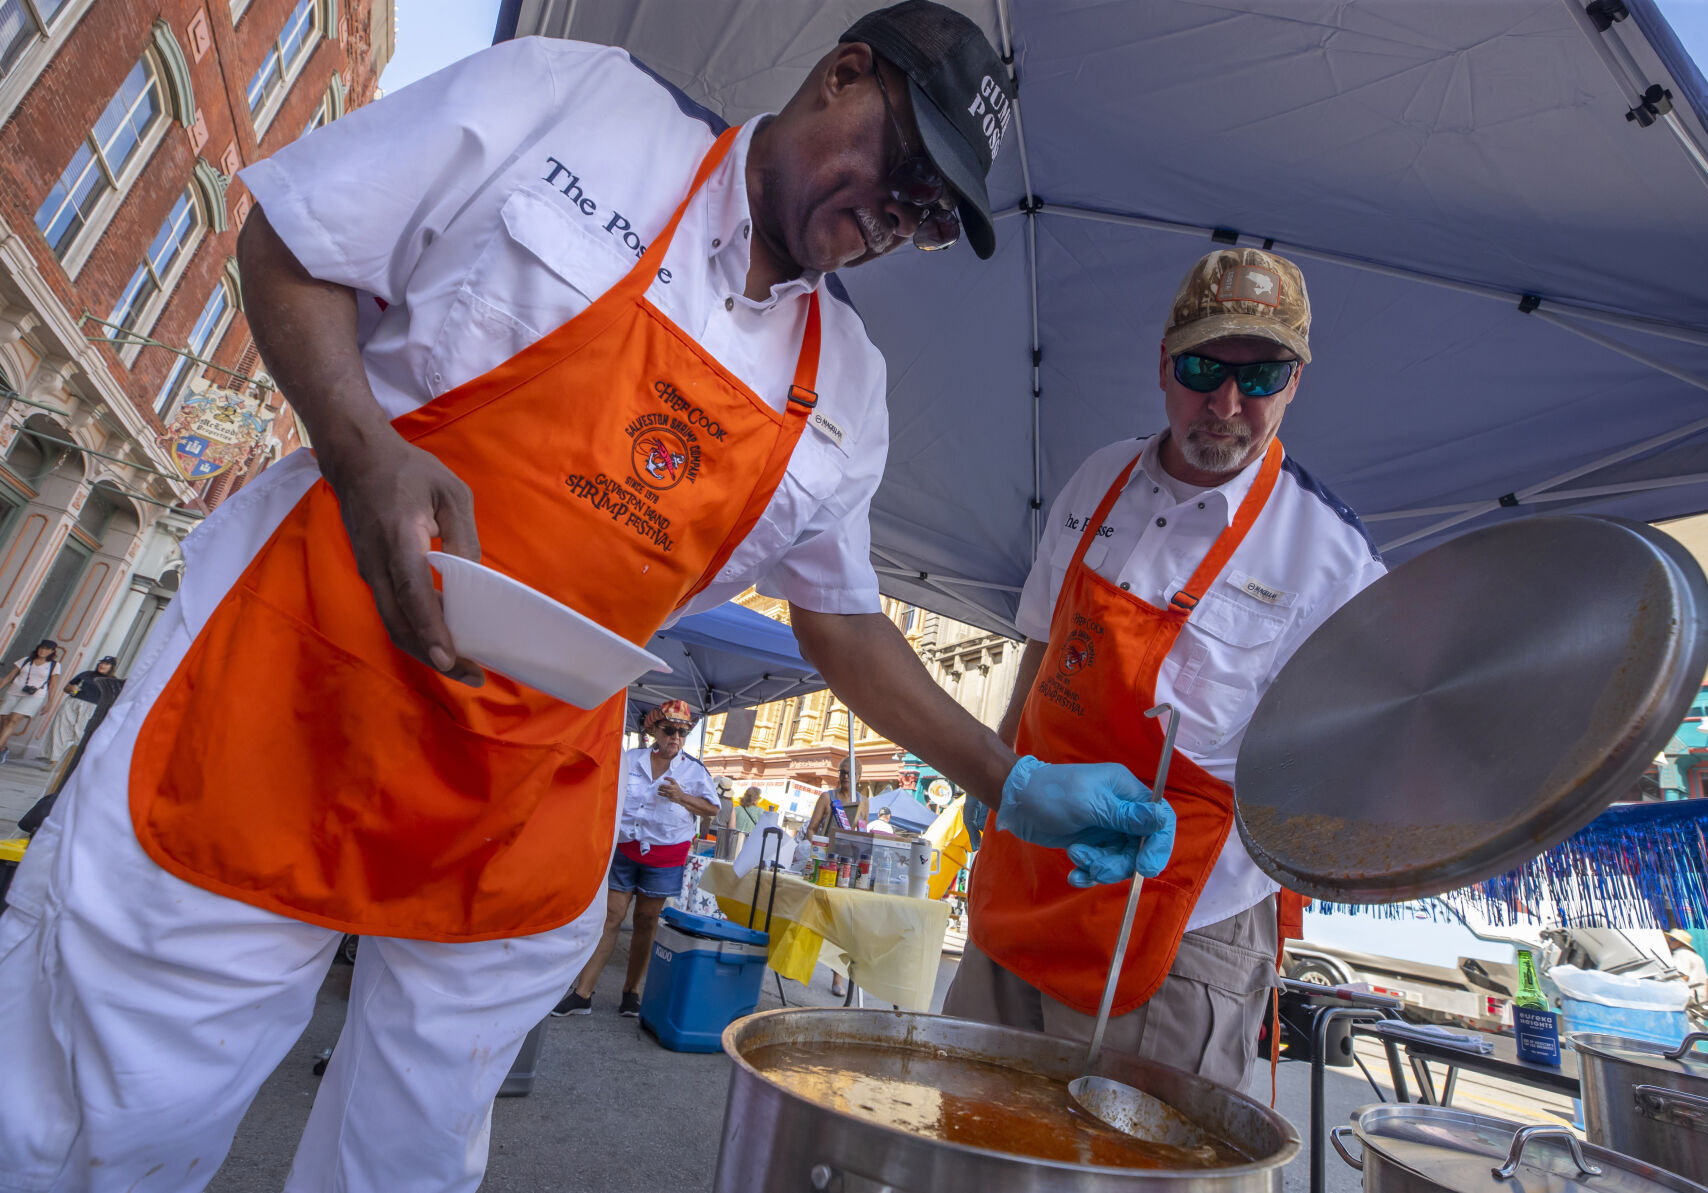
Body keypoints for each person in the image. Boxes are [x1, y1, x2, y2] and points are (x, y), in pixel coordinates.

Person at [0, 7, 1169, 1190]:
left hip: (522, 786)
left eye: (923, 219)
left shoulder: (847, 387)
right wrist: (362, 450)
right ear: (840, 75)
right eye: (903, 170)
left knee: (406, 1165)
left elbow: (844, 622)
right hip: (294, 694)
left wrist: (1009, 780)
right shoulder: (579, 109)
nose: (888, 220)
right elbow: (298, 243)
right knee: (111, 1119)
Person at [945, 248, 1388, 1093]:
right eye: (1202, 368)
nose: (1227, 404)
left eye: (1260, 376)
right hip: (1029, 873)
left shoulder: (1334, 563)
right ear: (1161, 363)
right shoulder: (1096, 480)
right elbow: (1040, 650)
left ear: (1294, 382)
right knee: (968, 1129)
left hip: (1178, 924)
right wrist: (994, 780)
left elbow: (1350, 763)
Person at [552, 701, 717, 1017]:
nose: (676, 738)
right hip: (625, 850)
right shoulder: (630, 760)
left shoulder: (694, 770)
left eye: (682, 732)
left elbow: (712, 809)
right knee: (611, 916)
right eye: (669, 730)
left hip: (665, 856)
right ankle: (583, 993)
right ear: (653, 730)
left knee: (645, 920)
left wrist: (682, 797)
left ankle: (631, 992)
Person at [44, 656, 117, 765]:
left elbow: (112, 698)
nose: (102, 665)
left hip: (92, 707)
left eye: (106, 664)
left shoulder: (112, 681)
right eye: (102, 663)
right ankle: (54, 760)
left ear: (111, 667)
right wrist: (72, 689)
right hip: (74, 702)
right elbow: (67, 688)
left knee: (81, 733)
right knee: (61, 729)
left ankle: (72, 762)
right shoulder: (86, 674)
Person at [0, 640, 60, 764]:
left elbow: (53, 685)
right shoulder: (26, 660)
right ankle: (3, 748)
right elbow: (10, 676)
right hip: (14, 691)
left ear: (52, 652)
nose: (43, 651)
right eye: (42, 648)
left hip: (35, 696)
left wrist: (50, 703)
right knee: (4, 720)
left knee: (13, 720)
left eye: (47, 649)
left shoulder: (54, 665)